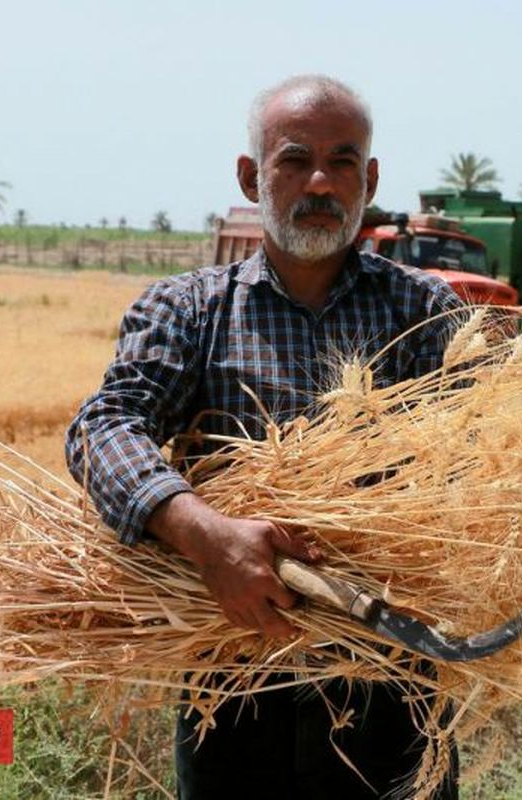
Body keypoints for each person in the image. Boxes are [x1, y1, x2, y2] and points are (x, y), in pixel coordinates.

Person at [66, 74, 462, 799]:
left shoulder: (427, 310)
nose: (320, 182)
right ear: (252, 177)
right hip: (234, 673)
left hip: (391, 674)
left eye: (343, 162)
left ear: (369, 180)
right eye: (293, 160)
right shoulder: (188, 310)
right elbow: (104, 428)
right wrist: (203, 533)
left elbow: (485, 455)